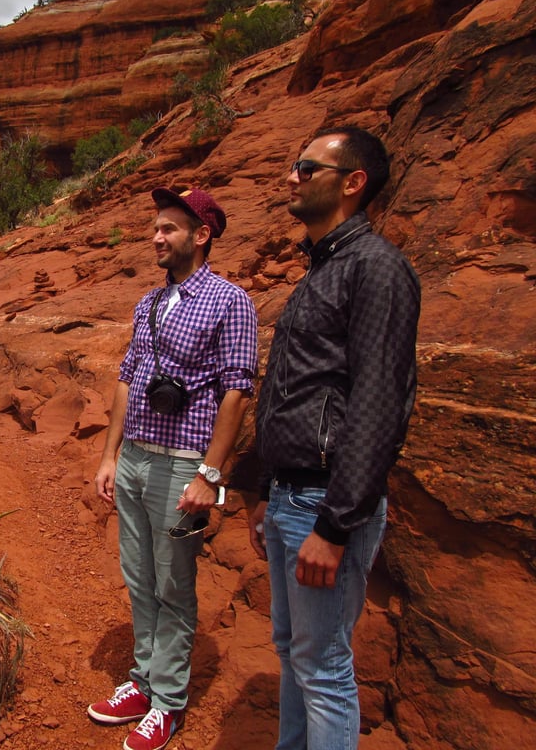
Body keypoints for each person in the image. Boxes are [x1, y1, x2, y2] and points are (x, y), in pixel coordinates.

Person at [250, 126, 420, 749]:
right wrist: (266, 489)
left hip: (325, 504)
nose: (290, 177)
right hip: (291, 496)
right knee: (292, 649)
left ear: (352, 183)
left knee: (322, 668)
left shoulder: (377, 268)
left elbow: (380, 403)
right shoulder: (322, 269)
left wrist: (335, 525)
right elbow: (293, 390)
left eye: (306, 167)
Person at [89, 187, 258, 750]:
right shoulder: (149, 303)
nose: (156, 237)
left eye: (169, 228)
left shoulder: (231, 301)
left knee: (174, 585)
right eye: (155, 228)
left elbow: (236, 391)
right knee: (140, 579)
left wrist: (209, 475)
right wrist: (110, 455)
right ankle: (142, 681)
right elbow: (127, 377)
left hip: (184, 462)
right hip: (136, 457)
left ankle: (167, 701)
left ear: (201, 235)